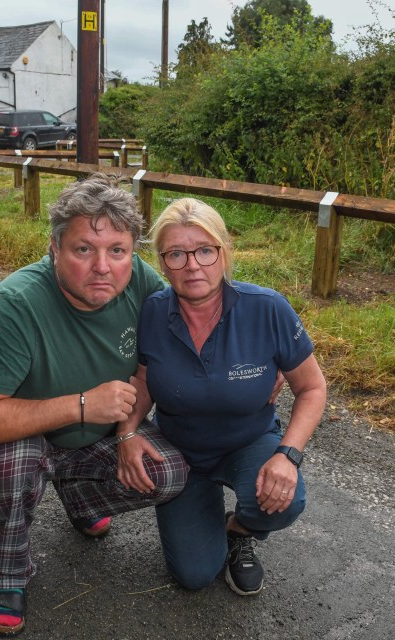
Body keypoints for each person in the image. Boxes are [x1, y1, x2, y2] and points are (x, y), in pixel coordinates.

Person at [0, 174, 189, 637]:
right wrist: (81, 405)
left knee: (169, 472)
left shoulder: (140, 280)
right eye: (84, 250)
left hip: (99, 436)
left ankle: (75, 494)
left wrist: (128, 432)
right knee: (12, 465)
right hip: (26, 441)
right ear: (55, 248)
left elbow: (153, 361)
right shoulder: (17, 303)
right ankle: (7, 571)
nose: (103, 267)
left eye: (117, 251)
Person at [118, 197, 328, 597]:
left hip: (248, 442)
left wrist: (288, 456)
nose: (192, 265)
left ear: (224, 252)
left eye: (204, 250)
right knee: (195, 575)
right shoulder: (151, 313)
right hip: (180, 453)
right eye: (176, 253)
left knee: (286, 499)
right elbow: (142, 381)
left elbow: (312, 388)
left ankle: (240, 530)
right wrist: (127, 434)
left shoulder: (267, 308)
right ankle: (204, 518)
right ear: (162, 263)